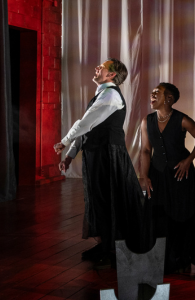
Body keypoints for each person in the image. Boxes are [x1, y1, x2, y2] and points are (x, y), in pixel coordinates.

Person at [55, 59, 152, 268]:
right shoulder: (101, 94)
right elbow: (88, 128)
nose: (97, 67)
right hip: (97, 154)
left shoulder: (110, 95)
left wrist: (64, 142)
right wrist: (71, 155)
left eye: (103, 67)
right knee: (97, 199)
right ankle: (105, 244)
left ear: (111, 75)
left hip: (108, 155)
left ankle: (115, 249)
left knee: (110, 199)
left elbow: (85, 123)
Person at [140, 83, 195, 274]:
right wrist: (145, 175)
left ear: (169, 99)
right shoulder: (147, 121)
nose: (152, 96)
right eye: (152, 93)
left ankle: (181, 257)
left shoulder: (181, 119)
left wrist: (188, 160)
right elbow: (145, 150)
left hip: (180, 176)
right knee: (159, 217)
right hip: (157, 175)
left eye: (156, 93)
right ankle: (161, 258)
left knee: (181, 217)